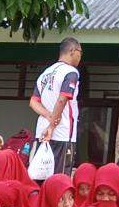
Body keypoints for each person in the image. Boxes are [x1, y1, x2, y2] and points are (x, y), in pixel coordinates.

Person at [32, 37, 82, 178]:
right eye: (80, 52)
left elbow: (33, 102)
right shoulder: (70, 72)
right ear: (72, 51)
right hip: (62, 133)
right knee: (60, 179)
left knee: (42, 177)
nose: (80, 56)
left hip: (41, 133)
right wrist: (52, 126)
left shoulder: (45, 73)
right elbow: (62, 99)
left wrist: (48, 116)